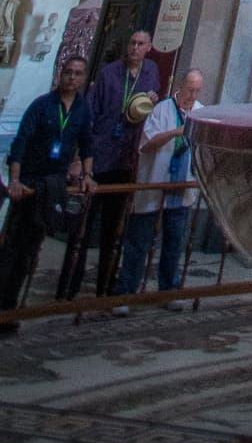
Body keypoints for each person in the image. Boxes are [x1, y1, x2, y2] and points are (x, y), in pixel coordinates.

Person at [0, 54, 93, 327]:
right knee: (12, 246)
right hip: (29, 182)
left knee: (31, 247)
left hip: (52, 186)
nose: (72, 77)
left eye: (78, 73)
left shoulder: (82, 110)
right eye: (69, 72)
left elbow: (87, 144)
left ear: (83, 78)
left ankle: (11, 306)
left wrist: (88, 175)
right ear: (60, 74)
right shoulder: (41, 106)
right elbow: (21, 143)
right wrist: (15, 181)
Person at [78, 28, 162, 296]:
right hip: (101, 157)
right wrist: (82, 159)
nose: (134, 48)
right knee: (83, 226)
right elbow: (91, 114)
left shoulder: (151, 73)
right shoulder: (109, 73)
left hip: (127, 158)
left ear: (149, 47)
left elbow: (151, 106)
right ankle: (70, 283)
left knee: (113, 227)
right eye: (132, 42)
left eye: (140, 44)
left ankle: (105, 282)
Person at [113, 67, 204, 306]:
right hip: (154, 183)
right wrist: (175, 132)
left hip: (182, 187)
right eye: (189, 90)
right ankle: (126, 292)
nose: (192, 96)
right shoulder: (161, 109)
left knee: (174, 243)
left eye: (197, 91)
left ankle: (168, 292)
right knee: (139, 242)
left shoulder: (201, 113)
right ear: (180, 86)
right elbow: (146, 145)